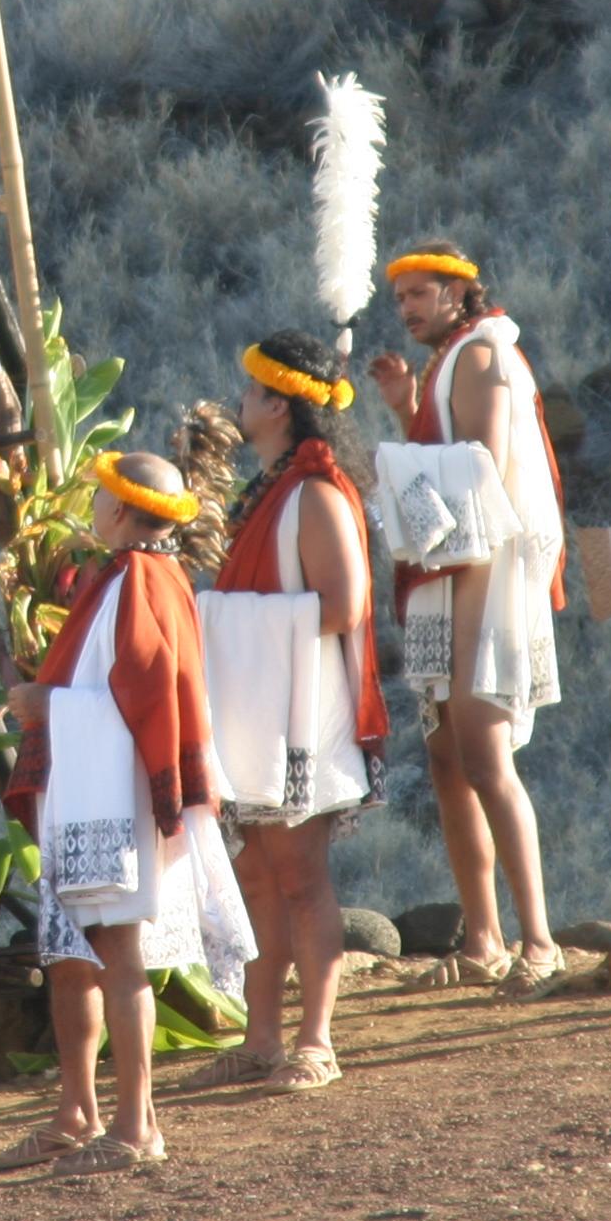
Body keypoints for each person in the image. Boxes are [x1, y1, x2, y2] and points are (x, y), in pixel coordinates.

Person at [0, 452, 252, 1176]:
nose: (96, 506)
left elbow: (146, 699)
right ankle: (79, 1113)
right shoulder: (136, 574)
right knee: (77, 955)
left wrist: (50, 705)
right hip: (96, 791)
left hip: (111, 799)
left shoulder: (138, 578)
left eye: (103, 496)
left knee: (118, 956)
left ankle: (138, 1126)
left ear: (118, 509)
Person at [367, 242, 569, 1000]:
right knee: (448, 762)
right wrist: (402, 410)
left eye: (421, 293)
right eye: (403, 297)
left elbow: (480, 465)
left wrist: (392, 458)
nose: (409, 308)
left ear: (459, 294)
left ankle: (540, 942)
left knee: (485, 759)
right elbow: (448, 455)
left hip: (482, 579)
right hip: (447, 576)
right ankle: (483, 939)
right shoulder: (450, 359)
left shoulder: (482, 355)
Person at [192, 334, 385, 1093]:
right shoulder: (269, 485)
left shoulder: (314, 490)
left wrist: (228, 616)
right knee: (256, 876)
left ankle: (317, 1042)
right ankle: (261, 1037)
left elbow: (345, 606)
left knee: (300, 875)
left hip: (301, 709)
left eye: (248, 392)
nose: (238, 402)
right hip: (260, 705)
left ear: (277, 402)